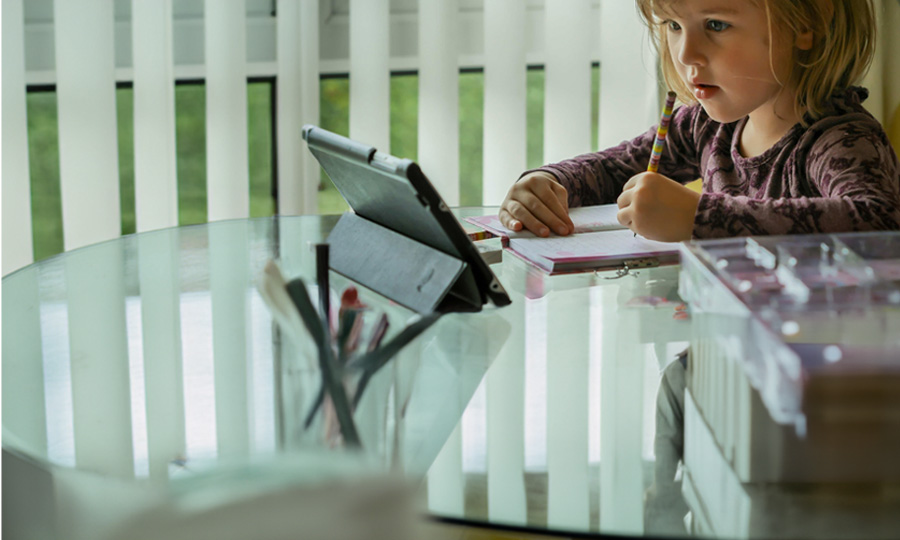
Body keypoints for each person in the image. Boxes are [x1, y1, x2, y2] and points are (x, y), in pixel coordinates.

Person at [498, 0, 900, 242]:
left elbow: (880, 225)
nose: (686, 53)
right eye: (673, 25)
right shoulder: (705, 126)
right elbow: (612, 168)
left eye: (716, 25)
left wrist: (699, 217)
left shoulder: (839, 139)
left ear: (805, 25)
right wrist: (549, 184)